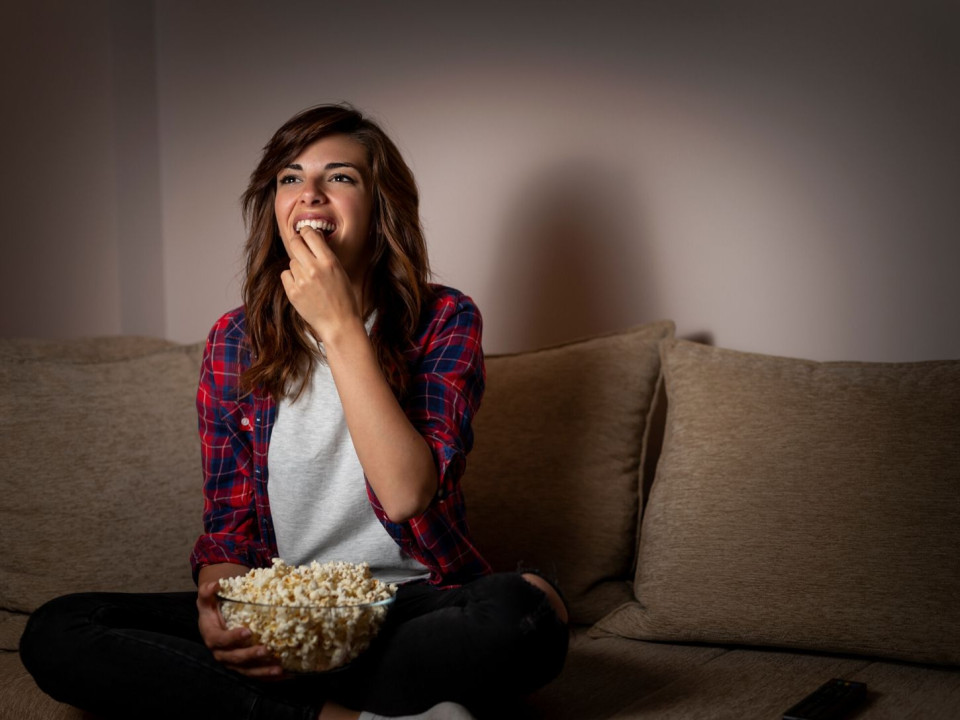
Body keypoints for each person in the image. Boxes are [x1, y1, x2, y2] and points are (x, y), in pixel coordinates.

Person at [20, 104, 568, 720]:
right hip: (284, 610)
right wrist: (221, 607)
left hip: (405, 606)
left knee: (528, 613)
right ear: (274, 206)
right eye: (289, 177)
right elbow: (229, 528)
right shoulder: (234, 339)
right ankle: (350, 716)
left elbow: (408, 493)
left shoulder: (445, 319)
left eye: (340, 176)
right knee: (60, 628)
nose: (309, 192)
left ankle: (278, 705)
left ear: (379, 205)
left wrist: (340, 327)